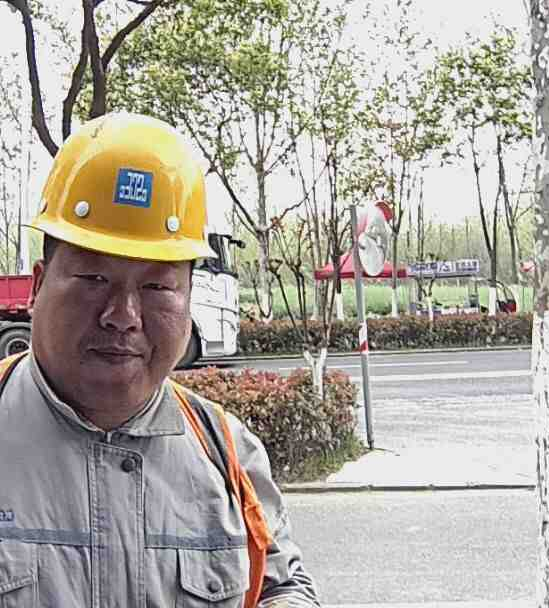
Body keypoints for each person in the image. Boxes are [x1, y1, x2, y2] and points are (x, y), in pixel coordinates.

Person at [0, 113, 319, 607]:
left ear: (188, 298)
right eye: (93, 279)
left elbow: (281, 585)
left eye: (156, 286)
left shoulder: (227, 454)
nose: (122, 316)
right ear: (38, 287)